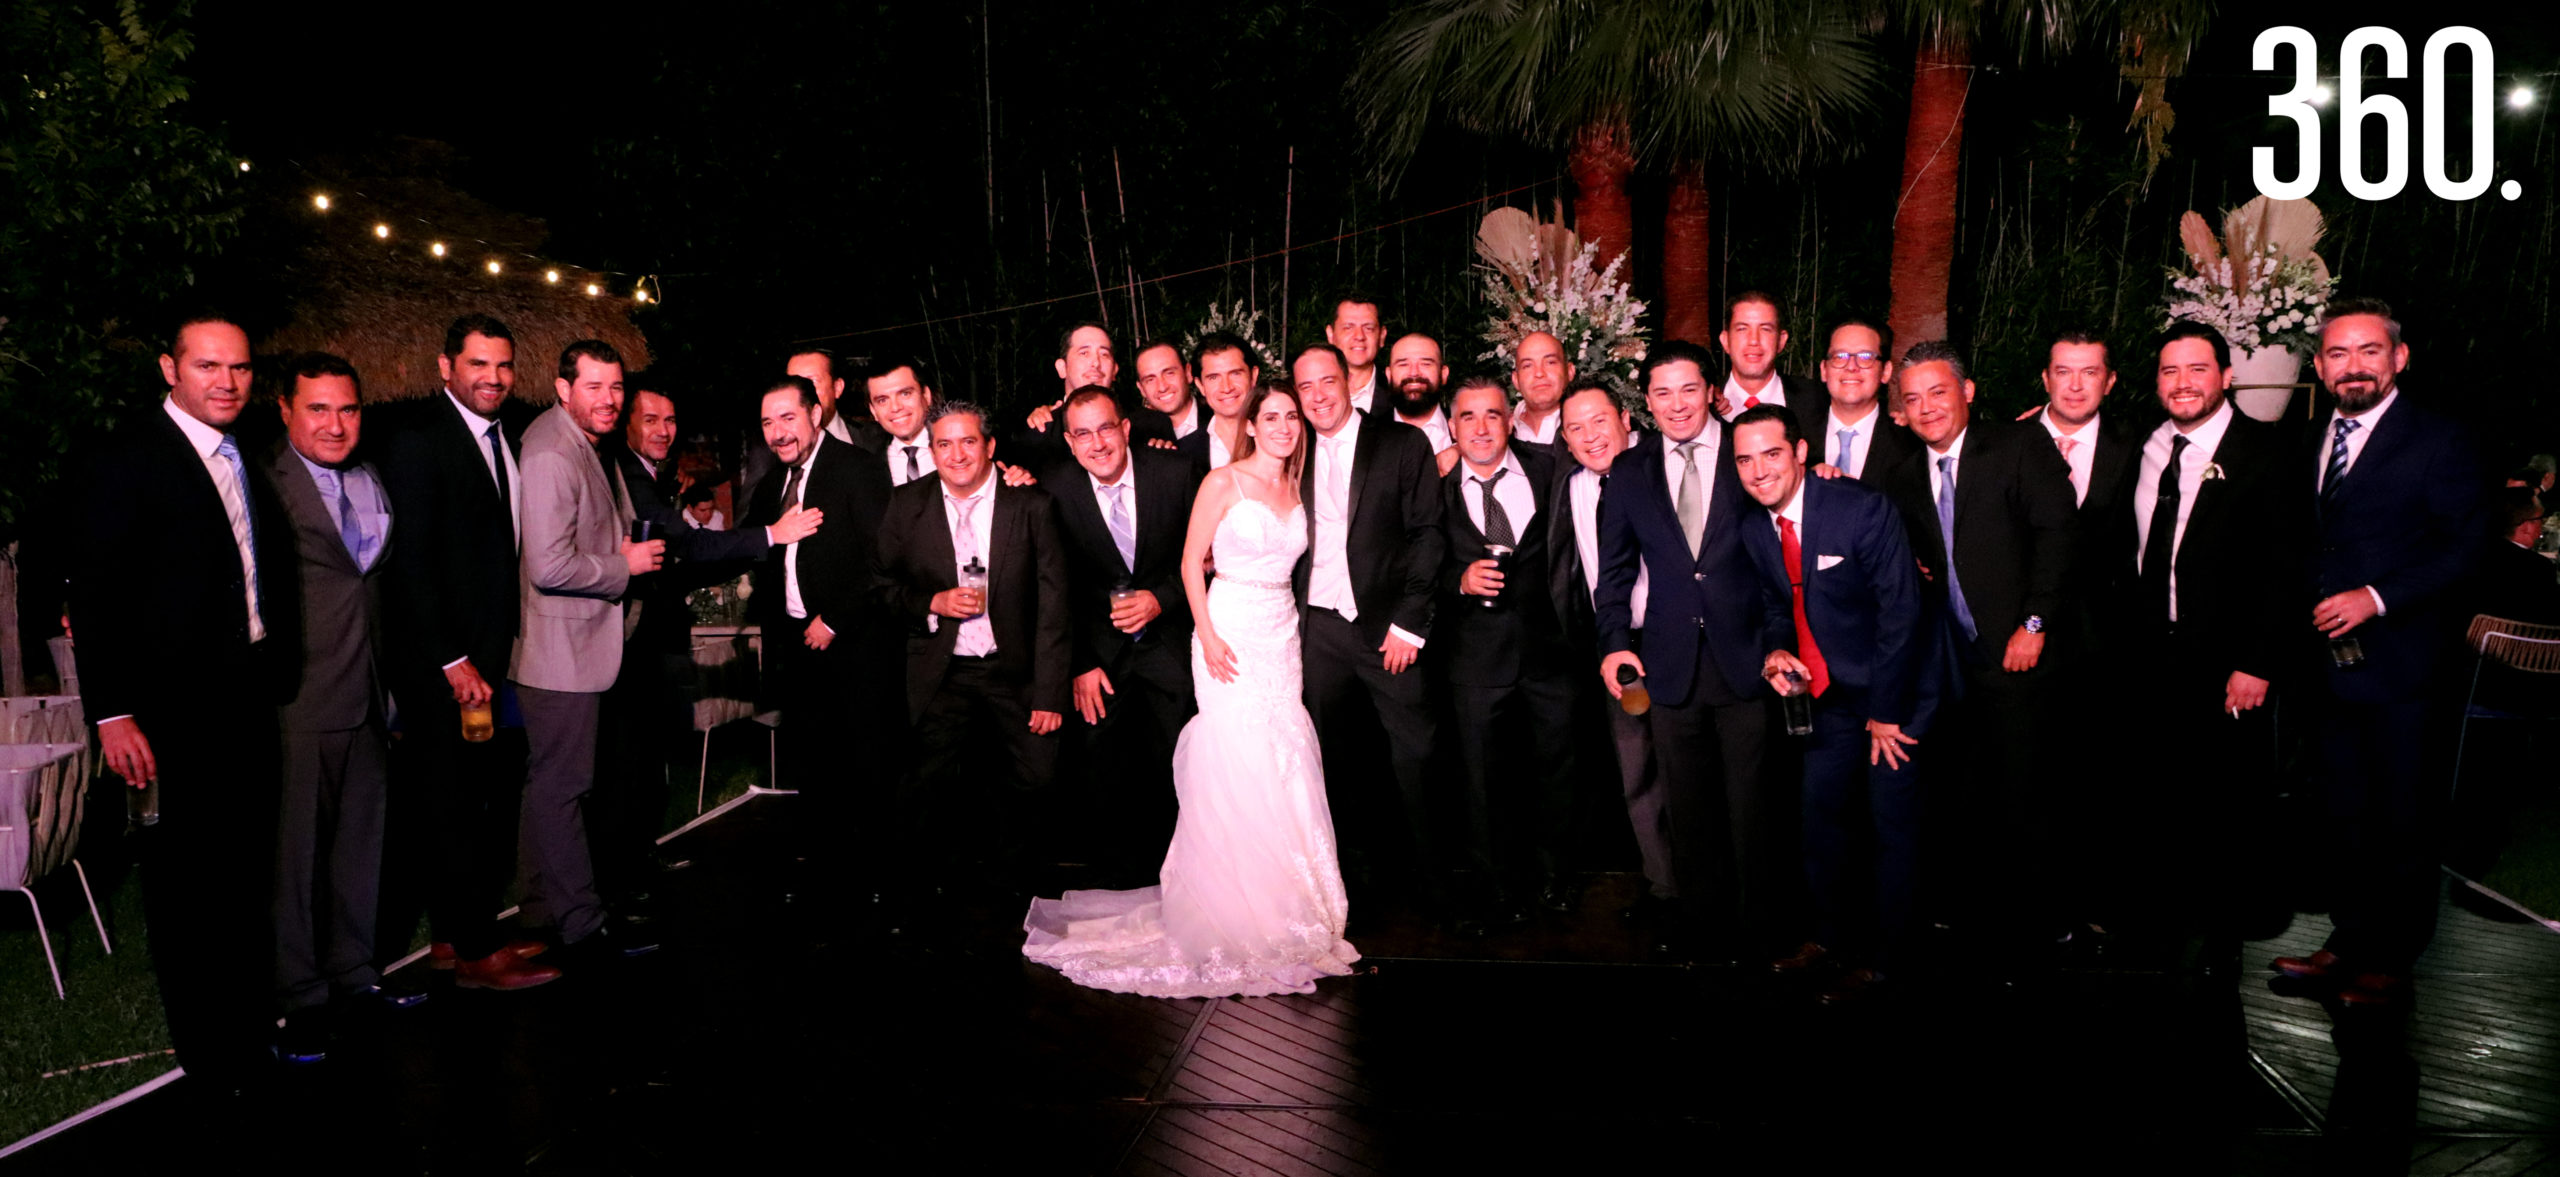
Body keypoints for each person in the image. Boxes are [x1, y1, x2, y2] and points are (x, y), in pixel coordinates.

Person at [1023, 382, 1360, 996]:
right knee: (1232, 754)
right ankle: (1227, 904)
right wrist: (1205, 633)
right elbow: (1185, 562)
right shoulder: (1214, 481)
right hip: (1223, 632)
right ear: (1250, 426)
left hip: (1281, 636)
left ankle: (1289, 898)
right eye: (1272, 416)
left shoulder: (1295, 486)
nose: (1284, 425)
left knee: (1283, 754)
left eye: (1293, 417)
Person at [72, 312, 299, 1089]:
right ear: (171, 368)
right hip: (169, 719)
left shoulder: (244, 456)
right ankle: (211, 1055)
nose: (227, 381)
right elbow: (95, 596)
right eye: (208, 366)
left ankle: (247, 1032)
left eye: (238, 367)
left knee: (242, 883)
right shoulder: (128, 460)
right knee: (184, 893)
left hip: (245, 706)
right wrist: (111, 712)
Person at [2272, 298, 2486, 1006]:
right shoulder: (2307, 439)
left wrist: (2377, 596)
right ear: (2320, 365)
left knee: (2403, 816)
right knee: (2342, 811)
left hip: (2405, 667)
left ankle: (2392, 959)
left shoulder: (2439, 439)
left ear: (2398, 358)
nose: (2352, 365)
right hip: (2327, 672)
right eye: (2337, 353)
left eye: (2368, 351)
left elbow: (2466, 550)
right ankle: (2349, 938)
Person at [1874, 340, 2079, 961]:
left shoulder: (2017, 446)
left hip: (2022, 655)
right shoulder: (1905, 476)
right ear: (1901, 413)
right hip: (1952, 665)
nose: (1927, 406)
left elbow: (2060, 534)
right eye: (1912, 398)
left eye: (1939, 391)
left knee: (2026, 794)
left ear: (1967, 392)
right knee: (1965, 796)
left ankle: (2044, 925)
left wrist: (2035, 622)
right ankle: (1978, 919)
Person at [2091, 322, 2296, 944]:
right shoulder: (2141, 446)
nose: (2183, 383)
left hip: (2226, 660)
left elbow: (2284, 569)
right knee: (2149, 787)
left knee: (2224, 797)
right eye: (2170, 371)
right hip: (2147, 652)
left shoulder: (2266, 451)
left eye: (2197, 369)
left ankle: (2219, 929)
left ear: (2227, 377)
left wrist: (2257, 661)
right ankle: (2150, 916)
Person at [374, 314, 557, 990]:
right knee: (451, 804)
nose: (494, 377)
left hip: (488, 659)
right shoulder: (418, 442)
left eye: (504, 365)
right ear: (445, 367)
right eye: (479, 364)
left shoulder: (503, 437)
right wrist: (451, 659)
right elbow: (409, 564)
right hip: (444, 667)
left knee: (471, 800)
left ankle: (454, 936)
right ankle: (479, 952)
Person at [1595, 340, 1795, 961]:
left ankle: (1762, 932)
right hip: (1670, 664)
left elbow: (1780, 552)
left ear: (1712, 390)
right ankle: (1704, 932)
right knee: (1691, 809)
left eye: (1688, 389)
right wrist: (1612, 645)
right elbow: (1615, 573)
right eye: (1662, 392)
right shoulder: (1629, 470)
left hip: (1747, 660)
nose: (1677, 404)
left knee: (1755, 807)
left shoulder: (1748, 449)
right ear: (1646, 401)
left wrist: (1779, 644)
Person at [1730, 404, 1930, 1005]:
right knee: (1821, 823)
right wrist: (1774, 653)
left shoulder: (1859, 508)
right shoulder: (1754, 527)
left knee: (1892, 831)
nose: (1759, 470)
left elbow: (1902, 613)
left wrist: (1888, 712)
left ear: (1799, 452)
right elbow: (1773, 607)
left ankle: (1891, 964)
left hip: (1894, 696)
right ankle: (1828, 939)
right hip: (1828, 700)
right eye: (1744, 459)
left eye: (1771, 454)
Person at [261, 352, 408, 1065]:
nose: (335, 423)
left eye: (347, 408)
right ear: (285, 409)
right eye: (317, 408)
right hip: (300, 699)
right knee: (296, 861)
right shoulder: (267, 486)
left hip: (369, 695)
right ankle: (301, 997)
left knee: (360, 847)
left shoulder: (371, 475)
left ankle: (355, 976)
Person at [605, 384, 804, 910]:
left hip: (657, 636)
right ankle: (623, 878)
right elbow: (687, 547)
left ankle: (640, 856)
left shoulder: (653, 475)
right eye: (650, 419)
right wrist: (770, 536)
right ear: (627, 423)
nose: (662, 430)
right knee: (629, 760)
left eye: (670, 420)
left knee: (651, 755)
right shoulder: (625, 475)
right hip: (628, 642)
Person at [872, 400, 1071, 893]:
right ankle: (929, 893)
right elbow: (880, 586)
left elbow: (1054, 606)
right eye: (944, 443)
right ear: (932, 449)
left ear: (990, 446)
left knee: (1037, 779)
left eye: (968, 441)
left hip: (1015, 670)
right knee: (927, 785)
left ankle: (1018, 886)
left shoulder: (1031, 505)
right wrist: (932, 601)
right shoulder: (906, 504)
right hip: (942, 671)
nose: (956, 455)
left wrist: (1049, 693)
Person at [509, 341, 664, 959]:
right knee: (564, 787)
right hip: (559, 650)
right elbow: (548, 565)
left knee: (549, 785)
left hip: (576, 648)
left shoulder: (583, 444)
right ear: (562, 388)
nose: (608, 399)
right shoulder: (550, 452)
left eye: (616, 387)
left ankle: (542, 908)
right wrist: (621, 565)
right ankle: (581, 924)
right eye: (594, 387)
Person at [1292, 346, 1448, 909]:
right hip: (1319, 629)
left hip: (1389, 628)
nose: (1317, 396)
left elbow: (1429, 535)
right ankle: (1356, 887)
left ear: (1349, 384)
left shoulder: (1401, 443)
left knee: (1418, 754)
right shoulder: (1292, 449)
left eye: (1327, 382)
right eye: (1305, 387)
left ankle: (1435, 883)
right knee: (1336, 759)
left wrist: (1411, 623)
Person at [1044, 386, 1204, 886]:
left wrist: (1162, 598)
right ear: (1070, 442)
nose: (1098, 443)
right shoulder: (1053, 491)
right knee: (1105, 775)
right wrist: (1079, 665)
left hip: (1170, 648)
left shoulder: (1175, 474)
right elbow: (1054, 588)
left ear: (1127, 428)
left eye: (1106, 428)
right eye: (1083, 433)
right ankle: (1122, 883)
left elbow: (1212, 556)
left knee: (1178, 768)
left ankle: (1184, 879)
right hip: (1099, 658)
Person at [1438, 374, 1580, 925]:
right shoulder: (1434, 483)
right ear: (1452, 426)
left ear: (1510, 419)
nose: (1480, 427)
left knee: (1558, 772)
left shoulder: (1551, 470)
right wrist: (1459, 578)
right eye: (1468, 417)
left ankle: (1557, 879)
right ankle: (1496, 884)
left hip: (1551, 653)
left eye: (1492, 415)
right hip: (1474, 656)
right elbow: (1412, 555)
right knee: (1481, 779)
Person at [743, 376, 882, 893]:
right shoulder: (770, 486)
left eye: (788, 418)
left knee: (860, 763)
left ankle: (872, 877)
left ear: (816, 414)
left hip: (853, 646)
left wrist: (835, 619)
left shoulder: (857, 469)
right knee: (812, 762)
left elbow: (881, 562)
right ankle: (825, 872)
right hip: (797, 648)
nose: (778, 433)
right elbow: (750, 548)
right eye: (767, 422)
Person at [1554, 379, 1676, 921]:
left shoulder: (1664, 470)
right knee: (1638, 771)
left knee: (1688, 771)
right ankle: (1664, 888)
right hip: (1619, 648)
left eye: (1599, 421)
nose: (1590, 436)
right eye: (1576, 428)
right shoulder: (1570, 485)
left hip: (1676, 640)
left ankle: (1711, 890)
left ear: (1627, 419)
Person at [2025, 330, 2136, 515]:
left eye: (2089, 372)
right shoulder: (2004, 443)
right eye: (2063, 372)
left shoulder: (2136, 446)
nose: (2075, 385)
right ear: (2046, 380)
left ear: (2109, 382)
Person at [1808, 317, 1916, 484]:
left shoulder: (1911, 445)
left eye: (1866, 357)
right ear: (1824, 370)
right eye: (1840, 356)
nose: (1851, 366)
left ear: (1886, 372)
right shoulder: (1795, 438)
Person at [1712, 292, 1822, 423]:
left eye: (1765, 329)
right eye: (1742, 329)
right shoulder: (1703, 404)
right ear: (1725, 341)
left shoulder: (1817, 400)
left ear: (1781, 341)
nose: (1753, 340)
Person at [1179, 331, 1259, 471]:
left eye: (1235, 374)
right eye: (1213, 378)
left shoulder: (1279, 437)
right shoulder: (1182, 453)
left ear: (1253, 376)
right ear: (1200, 385)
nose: (1226, 388)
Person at [864, 353, 940, 488]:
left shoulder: (957, 450)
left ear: (926, 396)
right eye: (882, 400)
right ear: (873, 410)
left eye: (905, 394)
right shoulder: (867, 464)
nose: (895, 407)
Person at [1383, 332, 1454, 454]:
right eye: (1403, 364)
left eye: (1425, 364)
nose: (1414, 373)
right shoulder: (1366, 435)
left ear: (1443, 374)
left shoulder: (1468, 434)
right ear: (1389, 375)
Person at [1509, 330, 1574, 455]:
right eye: (1527, 366)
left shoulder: (1590, 431)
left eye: (1550, 362)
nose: (1539, 373)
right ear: (1516, 380)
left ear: (1569, 371)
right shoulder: (1500, 431)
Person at [1134, 339, 1210, 439]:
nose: (1162, 387)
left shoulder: (1219, 421)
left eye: (1169, 373)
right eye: (1150, 380)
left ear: (1187, 373)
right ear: (1141, 389)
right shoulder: (1136, 437)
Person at [1327, 293, 1385, 413]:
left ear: (1381, 336)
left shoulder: (1399, 394)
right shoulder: (1310, 394)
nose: (1359, 336)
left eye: (1368, 328)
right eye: (1348, 327)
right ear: (1331, 334)